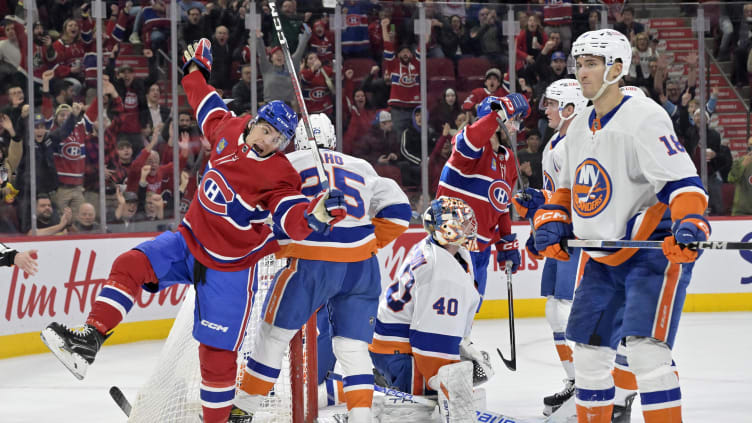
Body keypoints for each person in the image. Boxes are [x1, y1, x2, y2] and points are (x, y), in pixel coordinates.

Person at [40, 38, 347, 423]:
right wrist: (194, 70)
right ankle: (88, 341)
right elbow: (203, 99)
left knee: (216, 354)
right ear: (254, 122)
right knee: (130, 264)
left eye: (277, 139)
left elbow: (291, 218)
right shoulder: (228, 127)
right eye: (266, 131)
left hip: (230, 268)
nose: (269, 141)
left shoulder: (280, 175)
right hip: (188, 241)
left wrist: (316, 216)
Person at [533, 29, 710, 423]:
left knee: (648, 353)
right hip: (605, 254)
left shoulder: (644, 117)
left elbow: (683, 183)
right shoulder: (579, 126)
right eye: (579, 64)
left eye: (591, 64)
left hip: (655, 250)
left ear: (616, 69)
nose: (582, 73)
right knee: (590, 356)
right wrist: (552, 223)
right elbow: (566, 192)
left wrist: (690, 225)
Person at [233, 114, 412, 423]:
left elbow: (253, 209)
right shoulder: (360, 165)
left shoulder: (285, 162)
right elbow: (399, 211)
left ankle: (241, 411)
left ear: (297, 139)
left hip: (310, 262)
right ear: (332, 139)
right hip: (361, 268)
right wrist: (367, 245)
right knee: (353, 349)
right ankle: (361, 419)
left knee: (273, 337)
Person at [368, 196, 493, 421]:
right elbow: (430, 342)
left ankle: (388, 384)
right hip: (402, 354)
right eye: (464, 221)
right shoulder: (443, 273)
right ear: (448, 228)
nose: (470, 226)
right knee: (419, 415)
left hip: (389, 344)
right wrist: (451, 381)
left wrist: (460, 347)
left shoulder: (440, 250)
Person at [512, 78, 588, 416]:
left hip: (576, 237)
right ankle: (576, 382)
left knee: (568, 311)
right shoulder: (555, 143)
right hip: (560, 234)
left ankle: (592, 382)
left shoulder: (582, 141)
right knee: (553, 312)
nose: (546, 110)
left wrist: (550, 216)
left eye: (553, 103)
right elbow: (558, 192)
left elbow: (586, 196)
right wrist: (539, 203)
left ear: (571, 108)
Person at [436, 94, 529, 306]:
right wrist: (499, 112)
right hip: (453, 243)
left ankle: (466, 339)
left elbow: (502, 205)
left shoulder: (509, 159)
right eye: (512, 117)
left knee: (472, 305)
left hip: (482, 247)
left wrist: (506, 242)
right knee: (449, 307)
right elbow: (472, 139)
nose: (517, 122)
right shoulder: (469, 146)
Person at [728, 137, 752, 216]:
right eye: (749, 144)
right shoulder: (739, 162)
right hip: (741, 212)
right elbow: (731, 179)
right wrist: (742, 166)